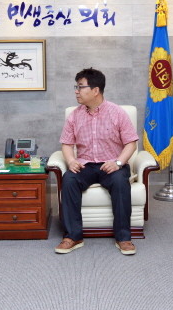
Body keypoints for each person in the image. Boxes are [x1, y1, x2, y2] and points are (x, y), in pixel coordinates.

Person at [55, 68, 139, 255]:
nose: (76, 91)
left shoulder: (117, 113)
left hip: (112, 165)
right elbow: (67, 144)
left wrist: (118, 163)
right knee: (69, 179)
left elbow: (131, 143)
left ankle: (123, 238)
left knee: (120, 181)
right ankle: (73, 236)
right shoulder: (74, 115)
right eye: (76, 87)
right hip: (85, 165)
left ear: (95, 90)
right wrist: (71, 160)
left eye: (80, 87)